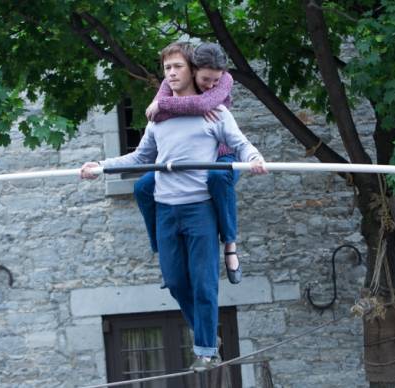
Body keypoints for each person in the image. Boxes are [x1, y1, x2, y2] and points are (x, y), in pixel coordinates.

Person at [80, 42, 266, 370]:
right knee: (176, 281)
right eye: (167, 69)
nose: (172, 73)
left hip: (199, 211)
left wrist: (254, 158)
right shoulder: (160, 117)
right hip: (166, 208)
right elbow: (141, 157)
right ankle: (205, 332)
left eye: (178, 67)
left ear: (191, 70)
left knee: (204, 283)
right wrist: (102, 166)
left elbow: (240, 144)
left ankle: (206, 350)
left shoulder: (215, 111)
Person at [135, 42, 243, 284]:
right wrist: (171, 107)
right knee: (142, 187)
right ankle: (162, 250)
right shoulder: (172, 80)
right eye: (206, 80)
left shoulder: (224, 79)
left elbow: (203, 104)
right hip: (191, 159)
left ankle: (230, 245)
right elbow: (153, 115)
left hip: (222, 153)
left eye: (215, 80)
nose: (212, 85)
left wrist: (165, 105)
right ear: (193, 70)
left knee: (217, 177)